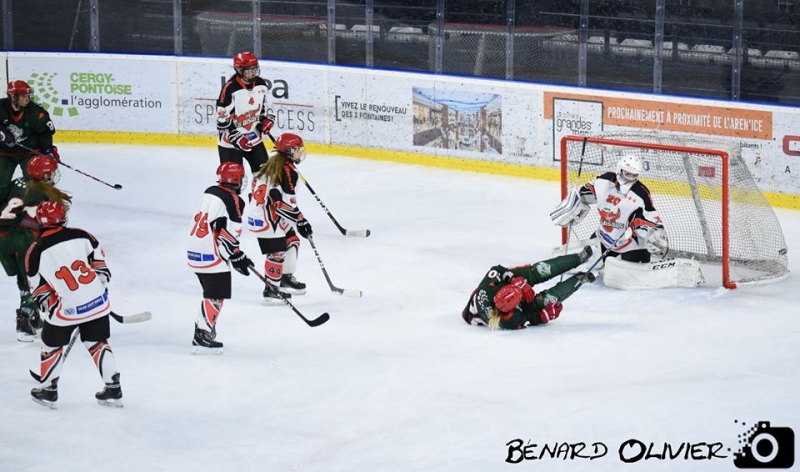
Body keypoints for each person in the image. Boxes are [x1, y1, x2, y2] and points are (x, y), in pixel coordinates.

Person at [26, 201, 122, 409]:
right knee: (98, 342)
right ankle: (113, 388)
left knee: (51, 344)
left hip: (66, 309)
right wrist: (97, 289)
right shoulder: (83, 235)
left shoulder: (35, 251)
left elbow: (39, 291)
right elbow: (101, 267)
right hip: (97, 302)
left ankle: (49, 390)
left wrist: (54, 309)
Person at [0, 155, 70, 341]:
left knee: (24, 278)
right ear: (45, 174)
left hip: (2, 238)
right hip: (23, 238)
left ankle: (33, 317)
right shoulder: (46, 194)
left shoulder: (16, 182)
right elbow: (50, 222)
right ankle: (25, 322)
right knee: (34, 277)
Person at [186, 162, 254, 353]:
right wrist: (236, 256)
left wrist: (236, 255)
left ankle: (204, 328)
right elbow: (226, 233)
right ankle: (202, 334)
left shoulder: (210, 191)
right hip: (211, 252)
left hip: (194, 249)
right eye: (241, 178)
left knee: (210, 292)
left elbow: (214, 225)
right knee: (216, 294)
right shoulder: (234, 201)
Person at [551, 153, 668, 264]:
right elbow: (585, 194)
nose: (629, 179)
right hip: (602, 237)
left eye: (634, 176)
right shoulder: (604, 181)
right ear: (619, 170)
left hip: (628, 243)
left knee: (635, 267)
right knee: (586, 262)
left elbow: (649, 215)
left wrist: (657, 231)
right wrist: (573, 205)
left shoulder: (640, 193)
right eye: (627, 174)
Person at [245, 133, 311, 304]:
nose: (300, 153)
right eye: (297, 150)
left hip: (265, 212)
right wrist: (301, 220)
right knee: (277, 253)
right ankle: (271, 291)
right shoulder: (287, 171)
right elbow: (281, 204)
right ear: (289, 151)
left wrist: (298, 219)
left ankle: (283, 279)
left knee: (292, 240)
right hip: (266, 217)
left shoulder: (273, 164)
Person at [462, 247, 595, 330]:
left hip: (510, 283)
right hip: (487, 313)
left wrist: (515, 281)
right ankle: (579, 280)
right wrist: (543, 316)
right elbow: (530, 319)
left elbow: (496, 269)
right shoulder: (509, 320)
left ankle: (578, 258)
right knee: (545, 302)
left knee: (537, 271)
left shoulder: (487, 289)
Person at [216, 52, 275, 175]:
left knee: (264, 177)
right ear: (239, 70)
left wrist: (265, 119)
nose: (253, 72)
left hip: (253, 136)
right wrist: (234, 135)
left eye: (254, 68)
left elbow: (264, 107)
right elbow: (221, 118)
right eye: (248, 70)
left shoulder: (261, 84)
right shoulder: (230, 88)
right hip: (230, 142)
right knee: (233, 182)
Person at [0, 80, 60, 195]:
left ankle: (36, 207)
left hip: (29, 152)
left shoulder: (35, 111)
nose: (27, 99)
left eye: (28, 95)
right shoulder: (1, 107)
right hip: (4, 153)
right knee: (1, 185)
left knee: (36, 185)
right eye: (23, 96)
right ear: (12, 97)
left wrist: (47, 150)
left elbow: (45, 132)